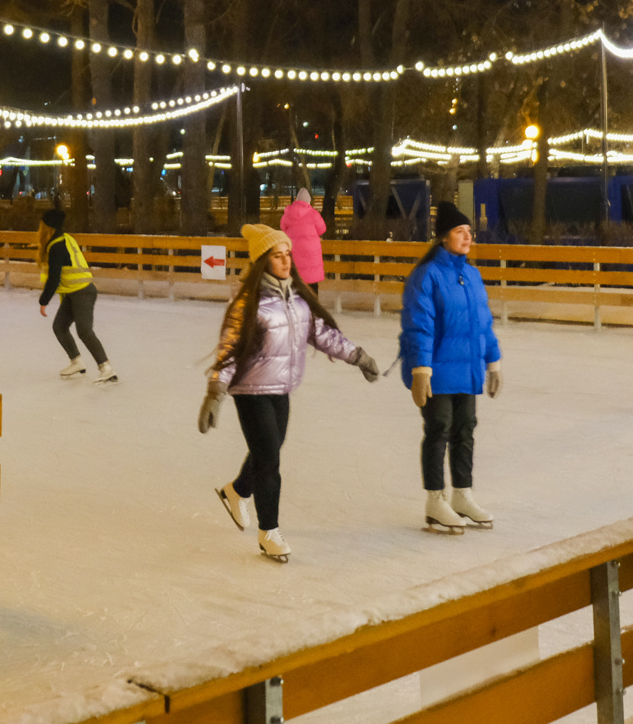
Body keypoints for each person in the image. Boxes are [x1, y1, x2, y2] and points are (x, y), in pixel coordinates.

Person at [201, 223, 380, 561]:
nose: (286, 262)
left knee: (268, 450)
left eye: (287, 255)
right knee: (270, 460)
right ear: (262, 262)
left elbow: (324, 335)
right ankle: (269, 531)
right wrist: (215, 392)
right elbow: (229, 350)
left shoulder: (297, 300)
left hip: (280, 388)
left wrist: (358, 356)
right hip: (250, 390)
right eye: (277, 256)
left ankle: (237, 492)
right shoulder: (247, 304)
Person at [400, 201, 503, 533]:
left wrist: (493, 361)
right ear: (444, 237)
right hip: (437, 371)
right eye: (460, 231)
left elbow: (483, 323)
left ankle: (462, 494)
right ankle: (435, 500)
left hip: (468, 368)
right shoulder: (427, 275)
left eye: (469, 231)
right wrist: (420, 369)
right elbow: (419, 325)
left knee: (466, 430)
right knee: (439, 430)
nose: (467, 237)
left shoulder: (471, 275)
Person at [37, 208, 115, 383]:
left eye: (41, 225)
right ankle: (77, 361)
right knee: (59, 326)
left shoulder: (57, 245)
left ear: (47, 227)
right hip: (74, 292)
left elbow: (54, 277)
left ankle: (106, 368)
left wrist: (44, 301)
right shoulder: (64, 239)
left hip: (82, 292)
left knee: (84, 331)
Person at [278, 186, 328, 293]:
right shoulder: (314, 214)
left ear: (296, 200)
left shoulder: (288, 213)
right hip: (312, 252)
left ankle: (297, 304)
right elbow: (322, 229)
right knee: (312, 281)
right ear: (308, 201)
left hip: (294, 250)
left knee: (296, 280)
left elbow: (283, 227)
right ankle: (313, 304)